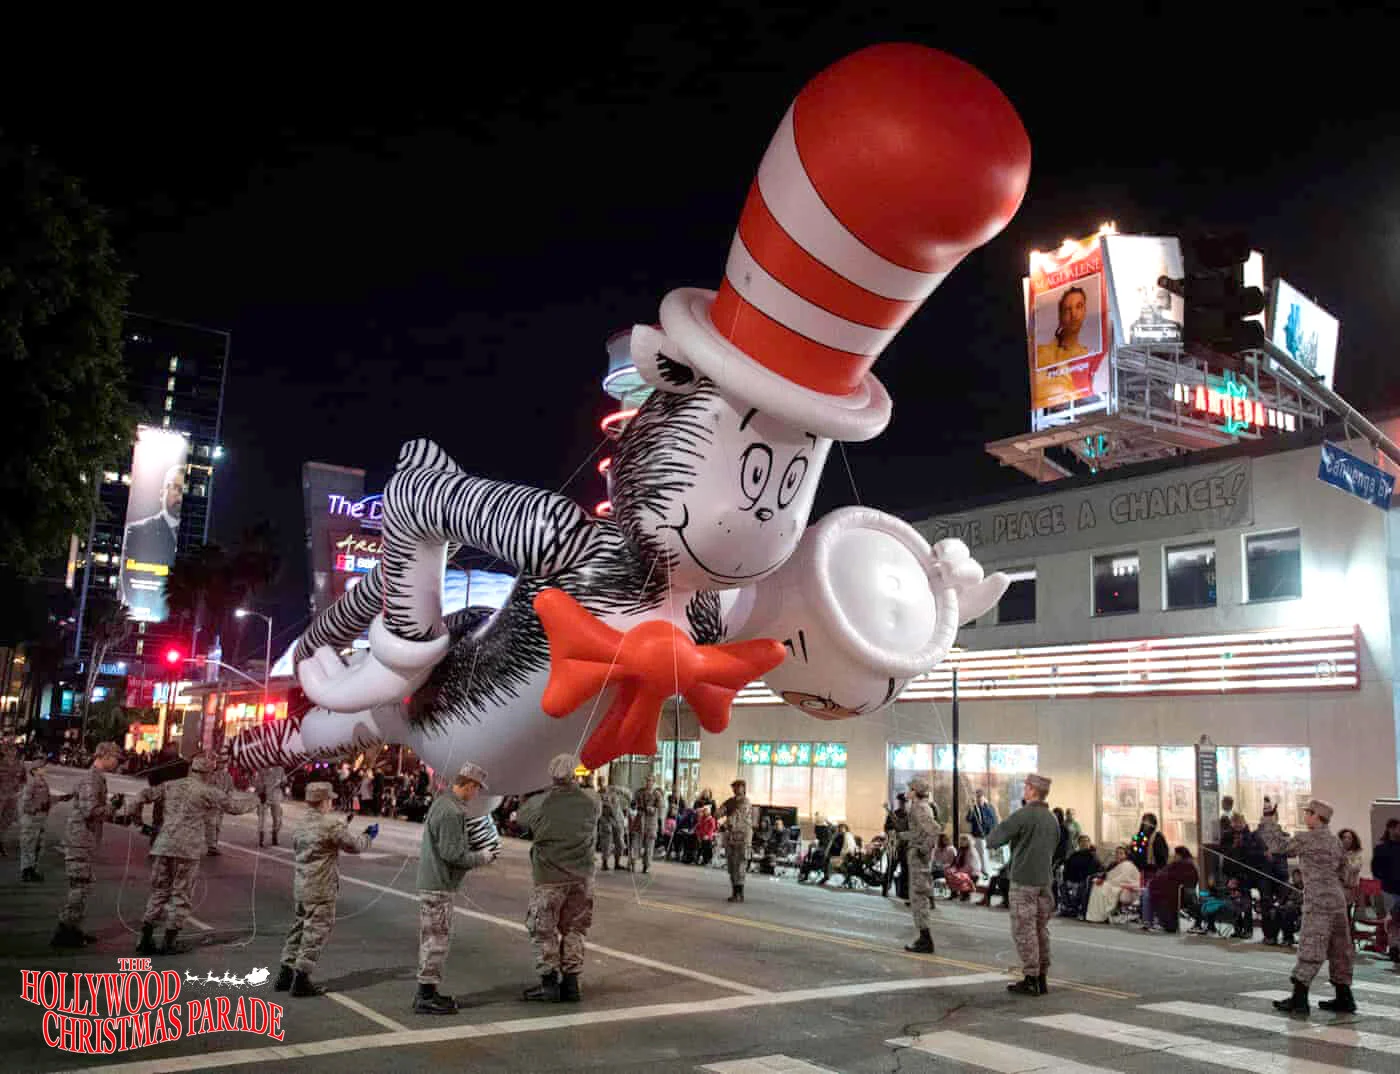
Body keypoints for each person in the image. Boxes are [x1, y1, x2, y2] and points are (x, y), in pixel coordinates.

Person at [125, 754, 258, 955]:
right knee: (181, 894)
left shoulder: (170, 786)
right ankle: (169, 942)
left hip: (163, 846)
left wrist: (136, 819)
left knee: (159, 892)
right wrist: (257, 799)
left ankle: (145, 938)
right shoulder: (207, 791)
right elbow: (236, 808)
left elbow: (142, 796)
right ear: (208, 773)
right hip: (186, 850)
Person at [276, 782, 377, 997]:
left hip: (302, 886)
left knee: (299, 929)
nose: (331, 802)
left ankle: (285, 973)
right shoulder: (330, 826)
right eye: (329, 799)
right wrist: (369, 835)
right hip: (322, 888)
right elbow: (354, 846)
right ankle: (301, 979)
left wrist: (342, 824)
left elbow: (320, 838)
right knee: (315, 932)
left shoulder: (301, 824)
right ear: (324, 801)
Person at [414, 761, 498, 1015]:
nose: (476, 795)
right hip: (439, 884)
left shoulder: (442, 803)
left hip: (433, 881)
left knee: (432, 938)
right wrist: (482, 857)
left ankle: (428, 992)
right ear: (469, 785)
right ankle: (426, 996)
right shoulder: (452, 812)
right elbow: (453, 854)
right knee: (437, 940)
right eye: (476, 789)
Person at [1258, 797, 1355, 1015]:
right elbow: (1347, 875)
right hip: (1338, 901)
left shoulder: (1306, 839)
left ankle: (1299, 999)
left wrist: (1268, 820)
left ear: (1314, 816)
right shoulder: (1335, 842)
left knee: (1312, 946)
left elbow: (1277, 845)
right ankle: (1344, 998)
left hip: (1318, 901)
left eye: (1307, 813)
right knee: (1340, 949)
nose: (1305, 817)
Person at [519, 754, 601, 1003]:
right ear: (574, 774)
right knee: (575, 929)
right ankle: (572, 982)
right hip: (583, 878)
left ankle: (548, 983)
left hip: (550, 877)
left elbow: (521, 821)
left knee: (543, 930)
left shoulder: (540, 803)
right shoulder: (591, 801)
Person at [987, 773, 1060, 996]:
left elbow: (993, 840)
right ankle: (1042, 976)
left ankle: (1030, 978)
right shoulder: (1052, 819)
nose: (1024, 790)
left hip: (1024, 881)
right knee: (1041, 929)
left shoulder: (1023, 815)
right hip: (1045, 881)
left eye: (1026, 787)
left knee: (1024, 930)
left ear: (1032, 791)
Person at [51, 742, 122, 948]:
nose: (117, 762)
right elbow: (90, 811)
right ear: (105, 756)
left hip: (84, 840)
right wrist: (112, 807)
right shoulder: (92, 780)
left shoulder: (97, 778)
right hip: (80, 840)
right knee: (79, 887)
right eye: (116, 757)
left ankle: (73, 928)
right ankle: (64, 931)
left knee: (83, 886)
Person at [118, 464, 184, 610]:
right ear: (162, 492)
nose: (179, 495)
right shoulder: (138, 530)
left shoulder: (188, 537)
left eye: (184, 490)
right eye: (176, 488)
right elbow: (127, 577)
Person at [20, 755, 71, 881]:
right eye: (42, 767)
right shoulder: (32, 783)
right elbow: (26, 803)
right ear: (35, 770)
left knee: (37, 846)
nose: (45, 769)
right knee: (29, 845)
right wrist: (36, 808)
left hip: (40, 819)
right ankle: (27, 871)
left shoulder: (42, 782)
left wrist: (61, 798)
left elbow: (47, 799)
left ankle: (31, 869)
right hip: (32, 819)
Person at [904, 776, 939, 953]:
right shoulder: (918, 807)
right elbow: (918, 833)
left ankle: (926, 939)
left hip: (919, 859)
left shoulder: (920, 808)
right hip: (917, 855)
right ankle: (923, 937)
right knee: (917, 897)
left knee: (918, 897)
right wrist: (902, 836)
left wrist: (922, 850)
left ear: (916, 791)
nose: (907, 791)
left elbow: (934, 830)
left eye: (910, 789)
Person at [1144, 846, 1198, 933]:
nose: (1174, 857)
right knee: (1146, 893)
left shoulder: (1185, 865)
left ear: (1180, 855)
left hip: (1179, 893)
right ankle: (1149, 922)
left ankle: (1149, 922)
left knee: (1147, 894)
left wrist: (1157, 882)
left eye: (1176, 855)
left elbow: (1175, 878)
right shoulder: (1179, 864)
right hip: (1171, 890)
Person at [1035, 286, 1089, 368]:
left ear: (1085, 311)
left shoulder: (1086, 354)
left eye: (1078, 306)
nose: (1073, 314)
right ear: (1060, 317)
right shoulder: (1041, 354)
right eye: (1067, 309)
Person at [1084, 845, 1140, 923]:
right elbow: (1108, 874)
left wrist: (1105, 882)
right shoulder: (1113, 864)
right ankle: (1094, 915)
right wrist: (1102, 879)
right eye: (1117, 853)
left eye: (1121, 853)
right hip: (1113, 884)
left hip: (1124, 887)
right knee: (1096, 884)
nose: (1118, 855)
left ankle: (1100, 916)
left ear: (1126, 855)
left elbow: (1123, 879)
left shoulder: (1127, 865)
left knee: (1102, 887)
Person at [718, 779, 752, 902]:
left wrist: (725, 824)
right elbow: (721, 810)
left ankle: (740, 893)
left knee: (740, 866)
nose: (736, 789)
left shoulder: (745, 802)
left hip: (743, 837)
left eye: (739, 786)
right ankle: (734, 892)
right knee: (732, 866)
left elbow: (737, 815)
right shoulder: (731, 801)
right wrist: (716, 812)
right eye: (734, 787)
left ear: (744, 788)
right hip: (731, 838)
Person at [1372, 818, 1400, 963]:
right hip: (1390, 889)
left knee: (1396, 919)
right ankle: (1394, 948)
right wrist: (1385, 879)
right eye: (1398, 828)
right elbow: (1376, 869)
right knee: (1394, 919)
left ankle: (1395, 946)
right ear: (1391, 829)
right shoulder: (1381, 848)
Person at [1059, 835, 1100, 919]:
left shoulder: (1092, 856)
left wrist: (1080, 880)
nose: (1084, 843)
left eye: (1086, 841)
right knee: (1062, 885)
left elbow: (1094, 870)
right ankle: (1069, 907)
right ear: (1079, 843)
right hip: (1072, 879)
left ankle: (1076, 908)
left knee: (1081, 886)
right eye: (1082, 841)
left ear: (1089, 843)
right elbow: (1067, 869)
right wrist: (1067, 879)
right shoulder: (1074, 855)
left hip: (1084, 880)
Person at [1262, 869, 1304, 946]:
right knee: (1275, 911)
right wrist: (1277, 905)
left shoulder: (1306, 889)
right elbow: (1282, 899)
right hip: (1285, 908)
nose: (1295, 878)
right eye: (1294, 876)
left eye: (1298, 876)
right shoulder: (1290, 888)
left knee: (1288, 912)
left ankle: (1288, 938)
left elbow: (1303, 903)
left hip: (1298, 910)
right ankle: (1272, 937)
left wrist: (1293, 905)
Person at [203, 754, 235, 855]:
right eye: (220, 762)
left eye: (223, 763)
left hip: (221, 804)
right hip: (212, 804)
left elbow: (230, 789)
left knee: (218, 826)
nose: (221, 765)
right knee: (211, 825)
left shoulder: (228, 776)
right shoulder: (211, 775)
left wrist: (228, 799)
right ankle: (211, 846)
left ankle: (214, 845)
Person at [631, 775, 663, 873]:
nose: (648, 782)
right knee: (636, 842)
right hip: (640, 818)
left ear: (653, 782)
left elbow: (660, 808)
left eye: (650, 781)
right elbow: (633, 804)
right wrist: (633, 807)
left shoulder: (657, 794)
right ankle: (632, 862)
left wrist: (654, 809)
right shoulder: (639, 792)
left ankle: (646, 865)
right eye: (647, 780)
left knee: (649, 844)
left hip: (651, 819)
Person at [882, 793, 910, 899]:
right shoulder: (893, 814)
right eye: (902, 802)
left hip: (905, 845)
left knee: (905, 868)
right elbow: (886, 827)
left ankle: (903, 891)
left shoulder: (909, 815)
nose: (903, 804)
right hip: (894, 845)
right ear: (899, 802)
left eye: (905, 802)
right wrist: (892, 831)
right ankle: (885, 888)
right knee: (891, 867)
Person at [967, 789, 998, 878]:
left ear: (984, 797)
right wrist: (971, 809)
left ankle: (985, 871)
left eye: (980, 797)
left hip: (985, 834)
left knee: (983, 854)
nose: (979, 799)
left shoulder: (988, 807)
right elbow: (968, 819)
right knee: (977, 854)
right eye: (977, 798)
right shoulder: (974, 808)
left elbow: (993, 820)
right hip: (976, 834)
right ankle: (979, 871)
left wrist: (990, 831)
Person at [255, 764, 287, 848]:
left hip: (276, 797)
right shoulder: (262, 769)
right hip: (265, 796)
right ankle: (261, 839)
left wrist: (281, 782)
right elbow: (258, 782)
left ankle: (274, 836)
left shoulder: (280, 769)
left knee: (277, 818)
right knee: (262, 818)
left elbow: (284, 782)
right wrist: (261, 792)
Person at [0, 742, 23, 856]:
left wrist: (20, 789)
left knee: (8, 819)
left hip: (12, 797)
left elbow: (23, 779)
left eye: (13, 750)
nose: (12, 752)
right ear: (4, 751)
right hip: (1, 795)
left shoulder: (19, 764)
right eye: (9, 750)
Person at [1337, 828, 1364, 918]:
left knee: (1347, 915)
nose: (1346, 840)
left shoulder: (1357, 855)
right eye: (1344, 837)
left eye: (1349, 838)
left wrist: (1345, 859)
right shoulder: (1335, 853)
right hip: (1337, 890)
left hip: (1350, 890)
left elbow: (1354, 868)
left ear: (1353, 841)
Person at [943, 835, 977, 900]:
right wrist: (952, 869)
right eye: (961, 840)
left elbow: (970, 865)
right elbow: (956, 862)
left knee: (957, 875)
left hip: (972, 871)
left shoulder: (971, 851)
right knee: (948, 872)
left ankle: (965, 894)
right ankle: (954, 893)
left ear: (968, 842)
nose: (961, 842)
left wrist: (958, 871)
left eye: (963, 840)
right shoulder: (960, 850)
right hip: (961, 869)